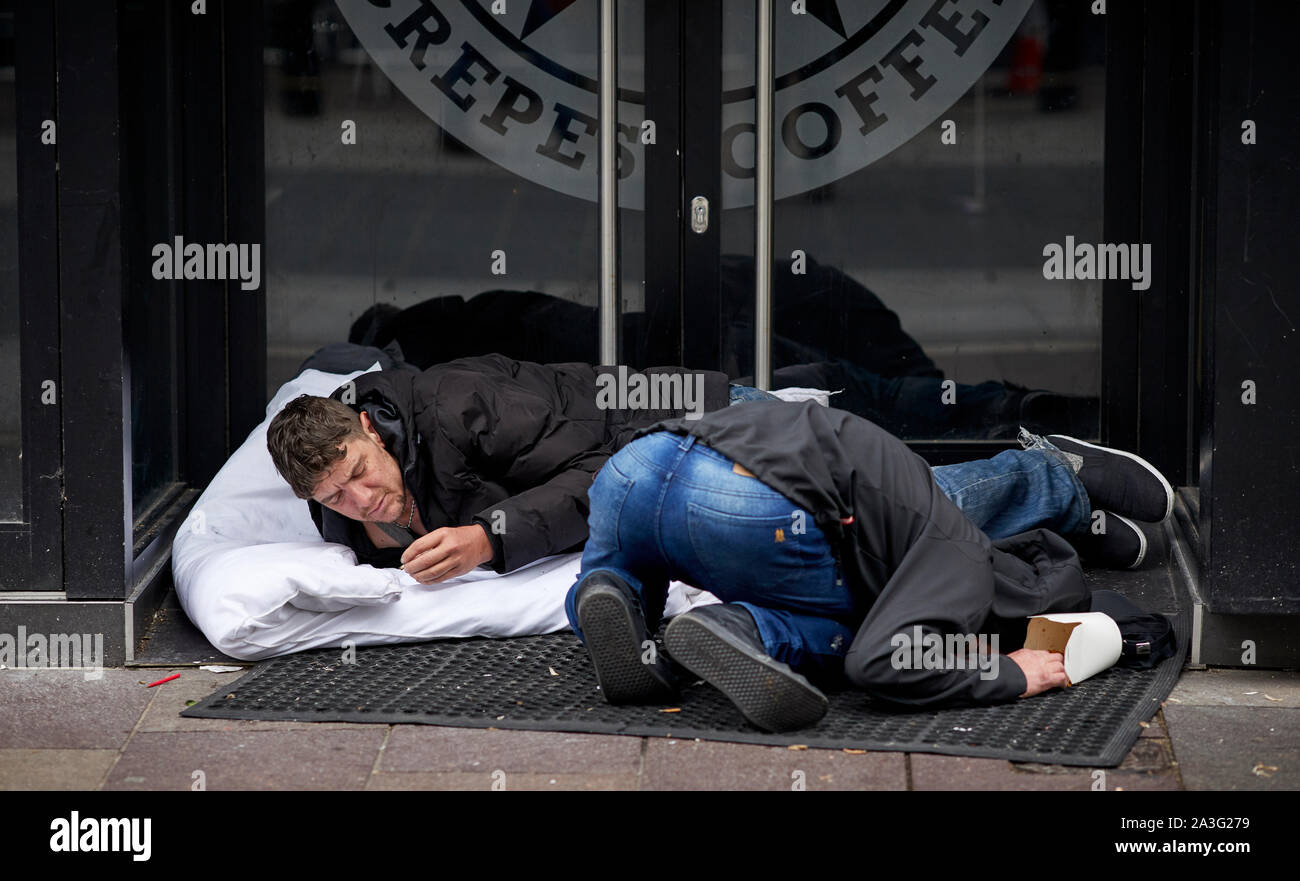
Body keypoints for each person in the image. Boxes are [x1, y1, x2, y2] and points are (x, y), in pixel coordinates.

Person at [268, 353, 1165, 584]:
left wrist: (488, 537)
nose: (360, 497)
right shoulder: (348, 501)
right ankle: (1064, 519)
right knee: (864, 527)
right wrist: (384, 527)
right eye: (333, 497)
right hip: (663, 465)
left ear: (368, 425)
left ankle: (1045, 472)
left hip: (688, 419)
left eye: (356, 469)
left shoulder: (462, 402)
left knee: (874, 505)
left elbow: (601, 471)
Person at [564, 399, 1173, 732]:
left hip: (636, 467)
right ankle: (740, 629)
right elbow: (882, 664)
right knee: (854, 630)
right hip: (749, 508)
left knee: (618, 573)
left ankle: (610, 595)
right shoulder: (960, 560)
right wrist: (1008, 671)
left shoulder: (929, 521)